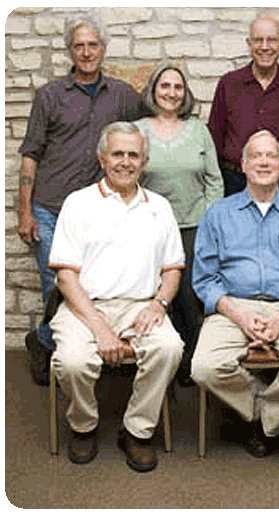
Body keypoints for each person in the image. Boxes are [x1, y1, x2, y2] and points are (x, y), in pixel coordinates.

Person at [47, 122, 185, 473]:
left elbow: (172, 270)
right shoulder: (78, 204)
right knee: (74, 362)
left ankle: (137, 431)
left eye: (133, 155)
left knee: (169, 348)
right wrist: (100, 328)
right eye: (118, 154)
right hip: (84, 306)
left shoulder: (160, 206)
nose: (126, 162)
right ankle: (84, 426)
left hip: (141, 305)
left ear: (145, 160)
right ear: (102, 158)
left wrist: (159, 304)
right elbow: (66, 276)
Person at [191, 130, 279, 458]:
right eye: (256, 156)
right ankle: (265, 411)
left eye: (271, 156)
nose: (264, 162)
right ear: (243, 165)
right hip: (233, 306)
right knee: (204, 368)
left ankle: (260, 419)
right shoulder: (217, 213)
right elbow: (204, 279)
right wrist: (238, 315)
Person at [18, 16, 143, 362]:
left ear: (103, 49)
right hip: (51, 208)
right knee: (55, 285)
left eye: (93, 45)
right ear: (70, 51)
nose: (86, 52)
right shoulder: (50, 96)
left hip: (97, 214)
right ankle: (52, 350)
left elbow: (148, 130)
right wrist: (26, 212)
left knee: (94, 286)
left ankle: (56, 344)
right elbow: (30, 156)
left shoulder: (122, 95)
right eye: (79, 46)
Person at [136, 65, 224, 385]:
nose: (171, 92)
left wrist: (209, 221)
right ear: (153, 90)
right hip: (149, 228)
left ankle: (190, 364)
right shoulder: (137, 130)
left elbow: (214, 180)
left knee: (189, 297)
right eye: (165, 86)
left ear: (185, 93)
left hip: (193, 226)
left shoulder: (199, 130)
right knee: (153, 292)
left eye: (178, 87)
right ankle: (157, 360)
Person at [208, 14, 279, 199]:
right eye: (258, 40)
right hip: (234, 183)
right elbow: (214, 142)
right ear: (249, 44)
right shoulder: (229, 84)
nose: (265, 47)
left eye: (271, 40)